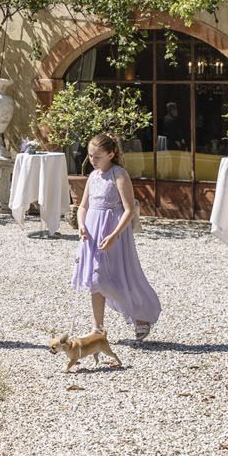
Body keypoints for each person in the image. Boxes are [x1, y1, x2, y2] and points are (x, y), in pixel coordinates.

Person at [74, 133, 162, 342]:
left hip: (114, 233)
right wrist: (81, 225)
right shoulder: (93, 177)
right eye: (90, 156)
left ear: (111, 154)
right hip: (92, 234)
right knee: (94, 279)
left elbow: (129, 209)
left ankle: (140, 315)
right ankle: (97, 328)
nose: (93, 161)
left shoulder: (118, 174)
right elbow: (83, 206)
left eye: (97, 157)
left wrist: (114, 235)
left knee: (117, 277)